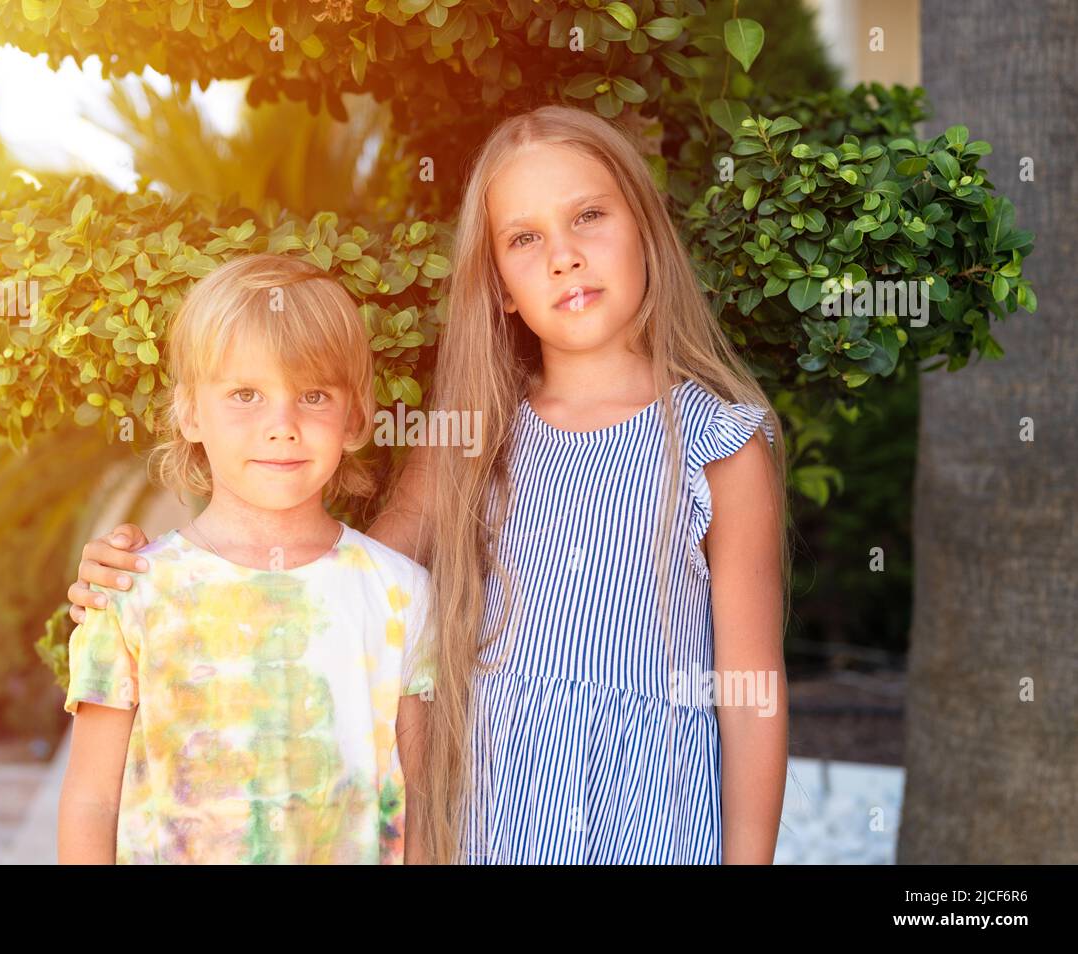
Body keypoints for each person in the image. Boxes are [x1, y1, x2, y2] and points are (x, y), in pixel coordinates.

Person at [70, 105, 789, 864]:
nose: (565, 257)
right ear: (502, 285)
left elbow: (751, 699)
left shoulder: (720, 446)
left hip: (652, 822)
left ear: (645, 228)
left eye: (589, 217)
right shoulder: (470, 434)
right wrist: (128, 580)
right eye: (525, 239)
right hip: (485, 821)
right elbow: (337, 593)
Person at [57, 253, 434, 864]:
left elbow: (422, 801)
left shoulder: (400, 594)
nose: (281, 425)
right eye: (245, 394)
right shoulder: (130, 592)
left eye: (313, 394)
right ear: (189, 412)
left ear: (355, 417)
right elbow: (90, 801)